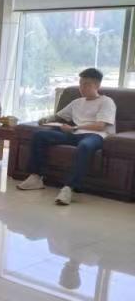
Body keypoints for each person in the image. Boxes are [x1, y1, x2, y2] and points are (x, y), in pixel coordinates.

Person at [17, 68, 116, 205]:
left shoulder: (106, 102)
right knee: (39, 135)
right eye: (80, 84)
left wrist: (75, 128)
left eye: (86, 84)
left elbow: (100, 125)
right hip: (74, 134)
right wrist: (46, 119)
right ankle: (36, 177)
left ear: (97, 85)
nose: (82, 88)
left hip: (95, 136)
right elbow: (58, 115)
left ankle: (69, 188)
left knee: (84, 146)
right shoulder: (77, 102)